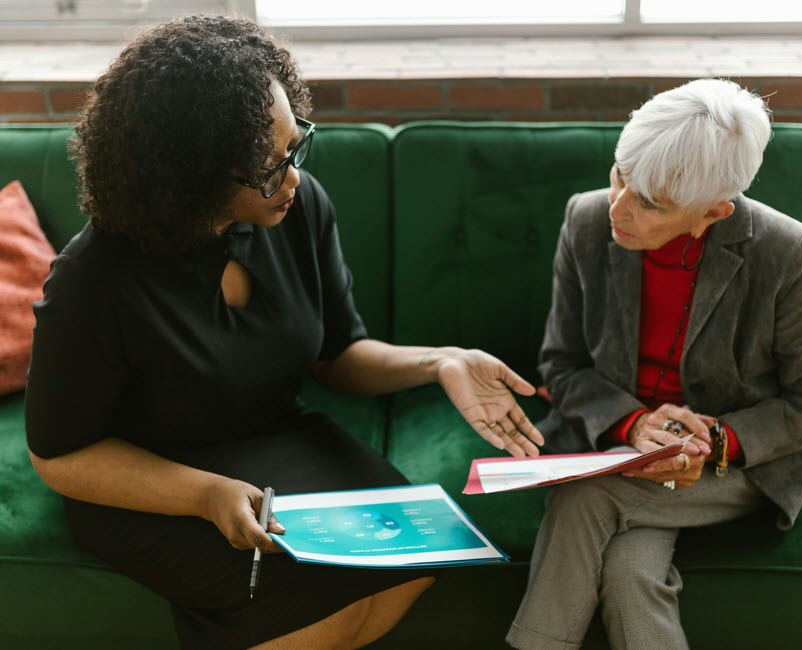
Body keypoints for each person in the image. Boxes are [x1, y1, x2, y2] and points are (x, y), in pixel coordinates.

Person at [24, 15, 544, 650]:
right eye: (270, 169)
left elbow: (338, 356)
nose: (294, 178)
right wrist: (204, 495)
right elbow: (59, 454)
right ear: (193, 177)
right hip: (154, 473)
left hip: (279, 436)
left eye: (295, 146)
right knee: (306, 606)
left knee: (424, 556)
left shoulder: (298, 209)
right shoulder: (94, 278)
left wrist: (440, 361)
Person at [507, 79, 802, 650]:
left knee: (584, 496)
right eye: (620, 174)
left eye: (651, 203)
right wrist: (633, 425)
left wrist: (713, 444)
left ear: (712, 211)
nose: (618, 207)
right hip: (617, 447)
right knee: (630, 572)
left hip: (733, 463)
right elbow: (562, 364)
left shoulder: (787, 251)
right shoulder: (587, 218)